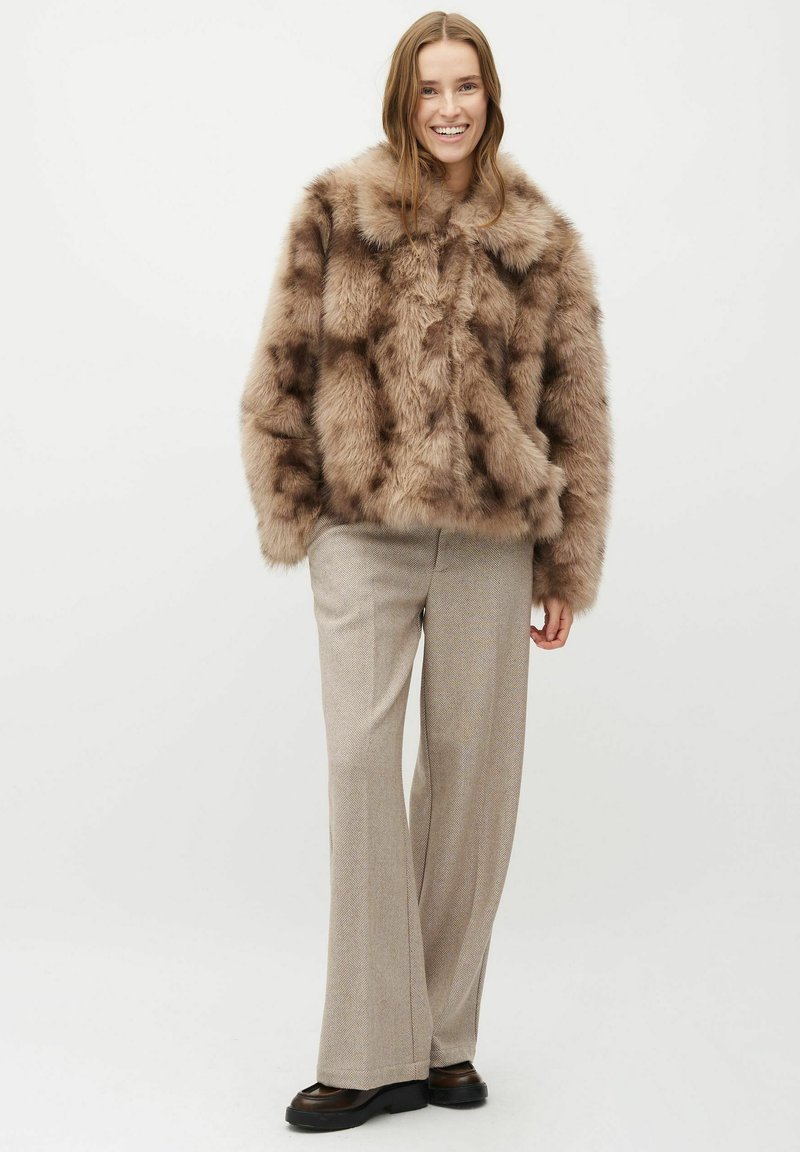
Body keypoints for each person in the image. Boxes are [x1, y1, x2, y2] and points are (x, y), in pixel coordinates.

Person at [239, 10, 613, 1133]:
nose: (448, 107)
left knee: (471, 782)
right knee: (360, 764)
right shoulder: (337, 209)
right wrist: (301, 514)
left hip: (492, 540)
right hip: (363, 530)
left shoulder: (541, 238)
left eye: (466, 87)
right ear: (403, 98)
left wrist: (564, 559)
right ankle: (367, 1053)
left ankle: (442, 1042)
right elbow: (280, 369)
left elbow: (576, 410)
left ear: (490, 98)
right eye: (429, 88)